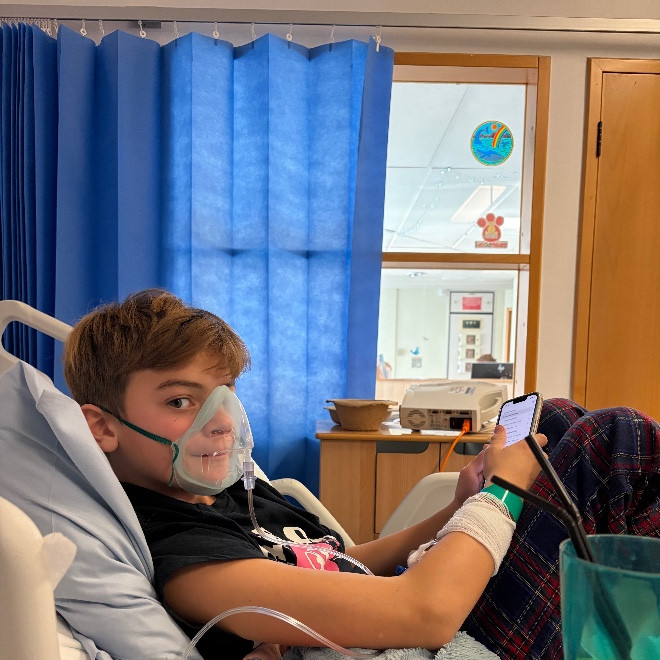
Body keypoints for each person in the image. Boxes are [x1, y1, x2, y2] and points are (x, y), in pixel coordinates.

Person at [63, 289, 659, 660]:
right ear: (103, 427)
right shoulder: (185, 555)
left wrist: (458, 508)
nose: (221, 423)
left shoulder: (229, 493)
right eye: (180, 401)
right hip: (431, 634)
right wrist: (500, 495)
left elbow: (340, 560)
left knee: (554, 421)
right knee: (613, 443)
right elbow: (425, 614)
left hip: (408, 598)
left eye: (226, 393)